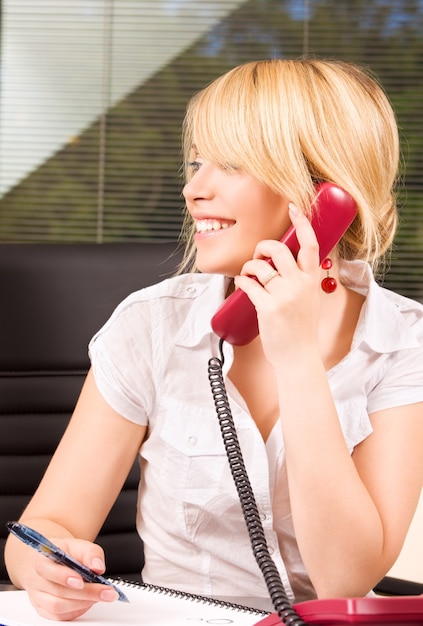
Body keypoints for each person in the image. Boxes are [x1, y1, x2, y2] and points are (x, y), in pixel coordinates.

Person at [5, 58, 423, 622]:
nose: (192, 188)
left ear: (325, 193)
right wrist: (46, 567)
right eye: (197, 161)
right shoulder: (150, 325)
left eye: (229, 164)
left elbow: (345, 579)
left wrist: (297, 357)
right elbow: (41, 529)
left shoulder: (403, 342)